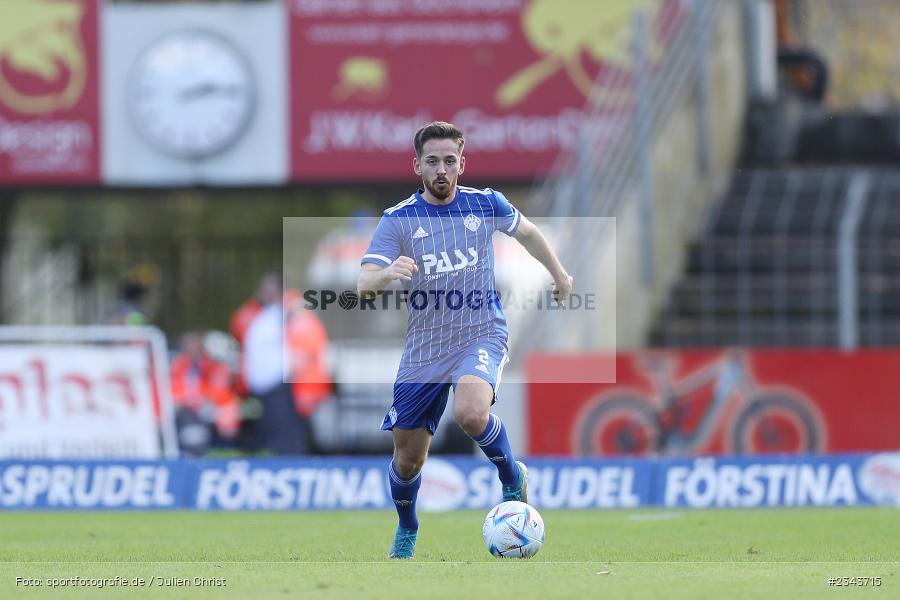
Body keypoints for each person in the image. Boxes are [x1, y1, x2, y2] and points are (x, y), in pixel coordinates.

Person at [357, 121, 572, 559]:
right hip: (425, 349)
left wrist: (559, 273)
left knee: (472, 414)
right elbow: (363, 286)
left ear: (462, 163)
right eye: (432, 161)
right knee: (407, 460)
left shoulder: (486, 203)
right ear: (416, 165)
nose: (441, 169)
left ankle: (511, 476)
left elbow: (529, 233)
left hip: (481, 332)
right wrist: (386, 273)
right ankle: (408, 526)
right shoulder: (398, 220)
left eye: (449, 161)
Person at [230, 270, 332, 455]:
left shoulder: (291, 312)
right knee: (272, 439)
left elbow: (307, 345)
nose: (262, 290)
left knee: (287, 440)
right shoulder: (265, 313)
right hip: (265, 390)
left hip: (283, 388)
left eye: (268, 285)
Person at [170, 331, 240, 457]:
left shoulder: (212, 365)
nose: (191, 349)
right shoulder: (179, 365)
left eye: (194, 345)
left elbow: (221, 392)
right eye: (188, 345)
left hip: (212, 409)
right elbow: (176, 391)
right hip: (187, 411)